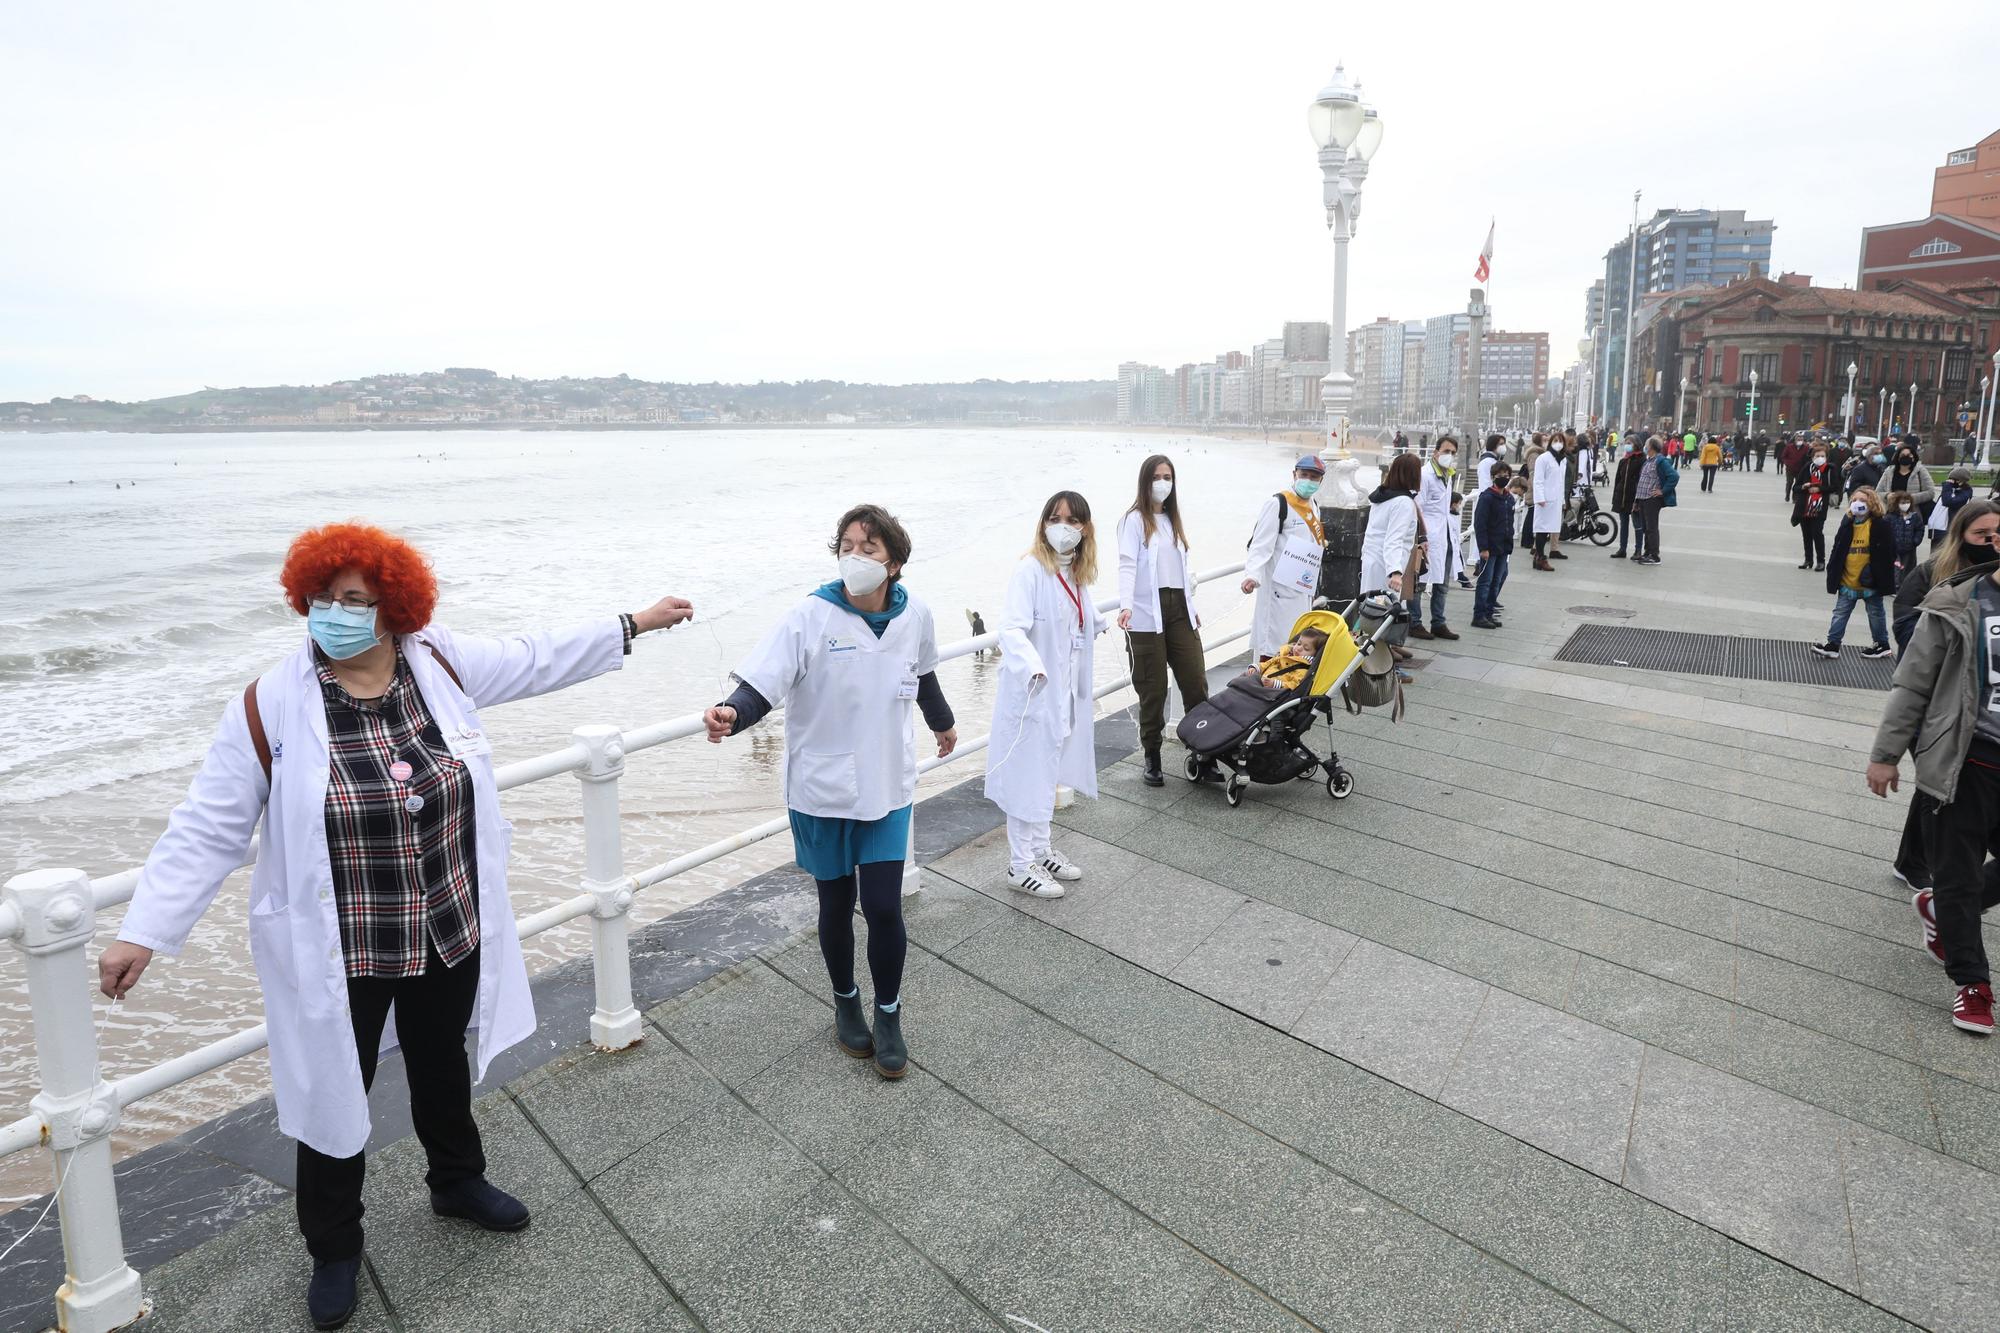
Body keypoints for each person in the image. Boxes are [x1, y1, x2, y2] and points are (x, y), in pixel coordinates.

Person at [97, 522, 695, 1329]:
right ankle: (335, 1246)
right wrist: (146, 927)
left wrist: (633, 622)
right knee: (329, 1094)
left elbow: (532, 656)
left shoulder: (437, 661)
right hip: (344, 945)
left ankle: (456, 1181)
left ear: (393, 608)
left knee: (441, 1061)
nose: (334, 613)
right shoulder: (269, 704)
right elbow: (208, 824)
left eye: (355, 600)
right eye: (321, 598)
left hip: (447, 920)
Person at [704, 504, 956, 1083]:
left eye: (869, 547)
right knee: (836, 905)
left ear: (894, 560)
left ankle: (888, 1014)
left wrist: (941, 722)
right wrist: (730, 715)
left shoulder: (915, 613)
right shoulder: (810, 616)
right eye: (847, 545)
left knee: (887, 907)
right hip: (821, 789)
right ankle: (846, 1001)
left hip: (887, 784)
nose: (856, 557)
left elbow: (923, 674)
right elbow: (760, 685)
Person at [1865, 535, 2000, 1036]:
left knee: (1958, 890)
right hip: (1967, 762)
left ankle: (1941, 909)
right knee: (1960, 876)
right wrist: (1886, 755)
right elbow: (1913, 683)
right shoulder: (1957, 603)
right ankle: (1973, 986)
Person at [985, 492, 1106, 899]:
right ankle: (1020, 866)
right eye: (1054, 518)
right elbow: (1011, 629)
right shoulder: (1031, 570)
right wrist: (1033, 666)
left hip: (1061, 695)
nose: (1062, 526)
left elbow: (1079, 618)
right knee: (1026, 776)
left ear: (1084, 528)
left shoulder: (1074, 572)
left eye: (1071, 520)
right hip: (1033, 693)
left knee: (1046, 774)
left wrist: (1109, 620)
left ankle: (1039, 849)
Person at [1117, 454, 1206, 788]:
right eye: (1156, 477)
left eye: (1168, 476)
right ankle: (1152, 756)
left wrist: (1191, 604)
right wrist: (1126, 605)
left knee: (1195, 680)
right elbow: (1127, 565)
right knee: (1152, 689)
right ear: (1145, 481)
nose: (1162, 483)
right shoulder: (1134, 521)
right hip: (1145, 614)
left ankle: (1203, 753)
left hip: (1179, 609)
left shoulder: (1173, 519)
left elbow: (1181, 570)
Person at [1241, 455, 1327, 661]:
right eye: (1304, 474)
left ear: (1320, 481)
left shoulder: (1314, 505)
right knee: (1271, 646)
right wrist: (1252, 575)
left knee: (1296, 645)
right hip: (1278, 591)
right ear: (1294, 474)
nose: (1308, 480)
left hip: (1301, 587)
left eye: (1314, 477)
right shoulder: (1278, 503)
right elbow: (1260, 545)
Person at [1811, 487, 1896, 659]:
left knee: (1876, 613)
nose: (1858, 503)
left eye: (1863, 501)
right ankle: (1833, 645)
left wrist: (1879, 573)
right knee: (1840, 613)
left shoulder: (1880, 524)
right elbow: (1838, 547)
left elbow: (1889, 551)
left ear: (1872, 503)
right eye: (1855, 500)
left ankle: (1882, 644)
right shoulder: (1847, 522)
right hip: (1847, 579)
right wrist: (1832, 569)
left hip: (1870, 581)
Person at [1408, 436, 1464, 640]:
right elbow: (1417, 506)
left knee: (1442, 582)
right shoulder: (1425, 474)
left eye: (1452, 453)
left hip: (1445, 533)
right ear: (1435, 452)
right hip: (1428, 534)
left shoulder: (1447, 474)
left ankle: (1438, 622)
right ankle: (1414, 622)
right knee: (1420, 580)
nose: (1449, 456)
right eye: (1446, 451)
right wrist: (1421, 535)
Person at [1359, 451, 1422, 600]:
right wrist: (1395, 572)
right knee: (1382, 611)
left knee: (1368, 607)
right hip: (1385, 566)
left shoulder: (1382, 497)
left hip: (1371, 559)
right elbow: (1394, 538)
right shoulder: (1403, 503)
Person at [1471, 462, 1515, 628]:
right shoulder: (1487, 497)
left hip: (1503, 547)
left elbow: (1509, 523)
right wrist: (1483, 548)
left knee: (1496, 581)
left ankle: (1489, 613)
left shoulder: (1509, 498)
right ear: (1493, 476)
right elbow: (1480, 524)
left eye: (1506, 474)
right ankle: (1479, 615)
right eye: (1500, 475)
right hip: (1489, 548)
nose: (1504, 478)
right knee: (1485, 581)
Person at [1242, 625, 1329, 689]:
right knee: (1241, 681)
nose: (1298, 648)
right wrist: (1256, 668)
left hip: (1274, 692)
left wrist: (1276, 684)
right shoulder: (1286, 654)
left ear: (1314, 654)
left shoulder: (1303, 669)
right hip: (1262, 680)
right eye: (1298, 644)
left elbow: (1295, 684)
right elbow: (1268, 663)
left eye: (1305, 649)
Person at [1792, 443, 1834, 571]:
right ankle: (1808, 559)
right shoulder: (1807, 468)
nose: (1820, 458)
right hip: (1804, 506)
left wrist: (1819, 488)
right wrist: (1804, 487)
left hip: (1819, 507)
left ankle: (1821, 561)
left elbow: (1834, 487)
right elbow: (1796, 487)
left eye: (1822, 456)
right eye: (1817, 456)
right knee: (1806, 534)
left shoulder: (1830, 469)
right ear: (1812, 457)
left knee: (1817, 533)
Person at [1633, 436, 1674, 565]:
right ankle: (1647, 552)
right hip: (1643, 499)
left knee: (1651, 527)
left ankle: (1654, 555)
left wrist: (1663, 491)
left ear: (1651, 447)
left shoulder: (1660, 461)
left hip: (1652, 499)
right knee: (1646, 527)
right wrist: (1637, 501)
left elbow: (1673, 476)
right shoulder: (1648, 461)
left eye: (1647, 444)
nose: (1645, 446)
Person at [1531, 433, 1567, 570]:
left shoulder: (1562, 460)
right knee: (1542, 529)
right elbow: (1538, 480)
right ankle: (1540, 556)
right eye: (1556, 441)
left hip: (1556, 500)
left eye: (1561, 441)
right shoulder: (1543, 459)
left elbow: (1561, 482)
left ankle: (1539, 557)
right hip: (1545, 500)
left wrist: (1562, 500)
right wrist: (1540, 498)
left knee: (1550, 528)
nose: (1558, 443)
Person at [1884, 442, 1936, 524]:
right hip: (1892, 513)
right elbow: (1878, 492)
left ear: (1913, 457)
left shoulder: (1920, 471)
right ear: (1897, 457)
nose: (1905, 457)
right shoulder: (1889, 471)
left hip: (1913, 514)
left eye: (1909, 455)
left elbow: (1930, 492)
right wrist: (1888, 495)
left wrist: (1909, 499)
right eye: (1903, 455)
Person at [1609, 438, 1644, 559]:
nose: (1627, 446)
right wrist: (1615, 498)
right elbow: (1618, 480)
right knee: (1624, 524)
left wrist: (1638, 500)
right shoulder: (1623, 461)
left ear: (1636, 445)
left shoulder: (1641, 460)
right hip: (1622, 497)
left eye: (1629, 443)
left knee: (1637, 525)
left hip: (1634, 497)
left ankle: (1638, 550)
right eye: (1626, 443)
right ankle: (1622, 549)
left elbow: (1641, 481)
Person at [1885, 492, 1926, 589]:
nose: (1905, 505)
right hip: (1894, 549)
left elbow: (1920, 529)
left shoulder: (1914, 516)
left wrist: (1916, 541)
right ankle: (1895, 585)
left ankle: (1905, 585)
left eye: (1907, 502)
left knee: (1908, 568)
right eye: (1902, 502)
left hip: (1909, 548)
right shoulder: (1890, 516)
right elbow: (1885, 531)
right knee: (1896, 568)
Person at [1934, 467, 1975, 547]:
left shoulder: (1965, 492)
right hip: (1938, 531)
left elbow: (1948, 502)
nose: (1949, 481)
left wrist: (1947, 487)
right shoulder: (1951, 490)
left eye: (1952, 479)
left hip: (1949, 531)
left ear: (1960, 481)